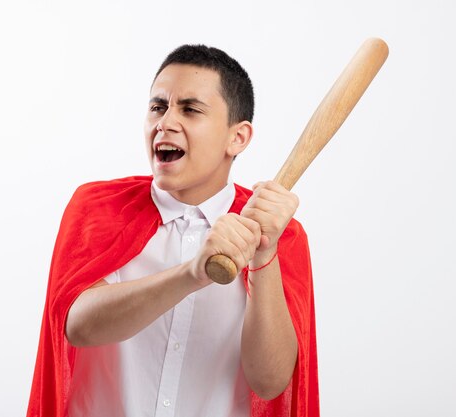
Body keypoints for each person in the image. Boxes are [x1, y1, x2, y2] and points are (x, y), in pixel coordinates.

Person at [27, 44, 319, 417]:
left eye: (190, 109)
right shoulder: (95, 207)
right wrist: (192, 273)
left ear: (238, 138)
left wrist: (264, 255)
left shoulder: (281, 235)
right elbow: (78, 326)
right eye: (157, 107)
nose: (165, 122)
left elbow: (271, 381)